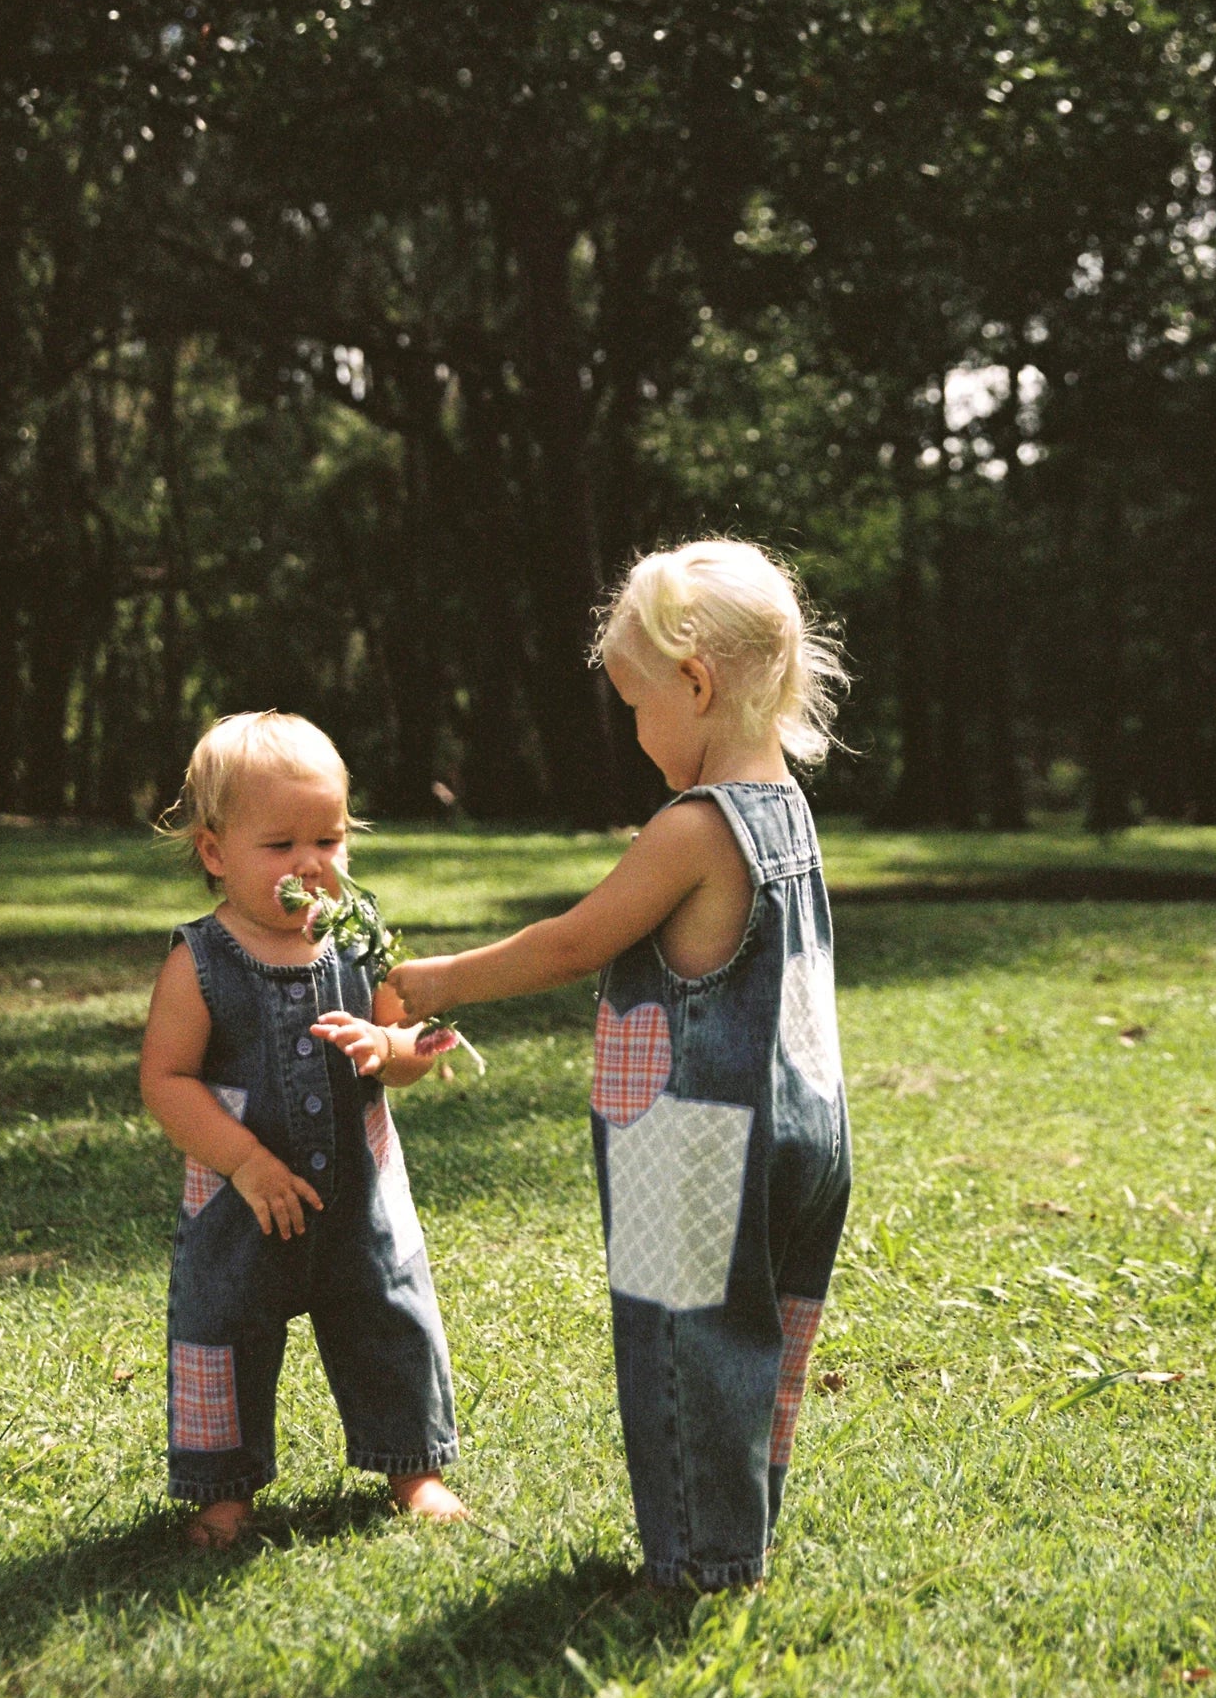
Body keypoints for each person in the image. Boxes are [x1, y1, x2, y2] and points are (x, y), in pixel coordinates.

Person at [388, 540, 850, 1591]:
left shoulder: (693, 827)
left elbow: (573, 941)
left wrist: (446, 979)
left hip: (687, 1138)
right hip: (805, 1122)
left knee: (684, 1353)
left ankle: (698, 1562)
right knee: (760, 1343)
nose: (637, 732)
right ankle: (742, 1533)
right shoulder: (789, 809)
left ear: (694, 682)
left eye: (638, 705)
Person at [140, 710, 465, 1548]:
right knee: (224, 1330)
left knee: (389, 1318)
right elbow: (166, 1080)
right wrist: (243, 1164)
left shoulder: (358, 942)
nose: (310, 864)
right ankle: (223, 1491)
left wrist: (389, 1045)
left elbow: (414, 1048)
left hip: (360, 1199)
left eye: (328, 839)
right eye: (279, 845)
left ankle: (412, 1468)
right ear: (215, 853)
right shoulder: (201, 960)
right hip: (241, 1206)